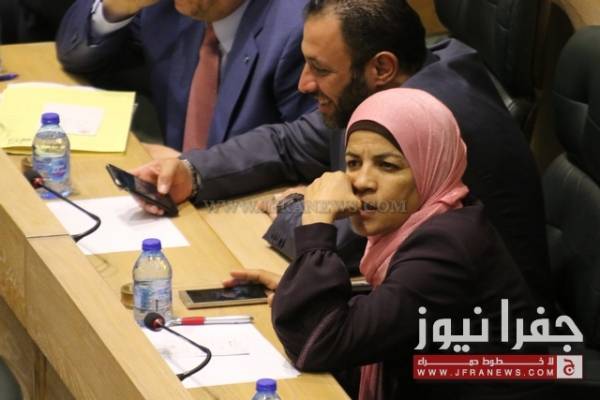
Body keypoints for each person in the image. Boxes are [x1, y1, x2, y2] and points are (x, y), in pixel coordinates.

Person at [132, 0, 552, 309]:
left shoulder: (426, 126)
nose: (304, 84)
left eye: (321, 69)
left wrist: (298, 208)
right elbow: (291, 142)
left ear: (381, 68)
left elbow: (343, 244)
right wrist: (192, 171)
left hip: (478, 349)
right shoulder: (400, 83)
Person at [228, 88, 552, 400]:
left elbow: (318, 344)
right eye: (353, 162)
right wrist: (305, 291)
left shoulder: (448, 246)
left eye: (387, 165)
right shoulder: (436, 222)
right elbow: (388, 313)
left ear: (429, 168)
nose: (361, 182)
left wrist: (316, 219)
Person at [55, 0, 316, 153]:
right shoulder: (165, 10)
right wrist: (117, 6)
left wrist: (195, 170)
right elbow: (76, 57)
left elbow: (306, 147)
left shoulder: (300, 31)